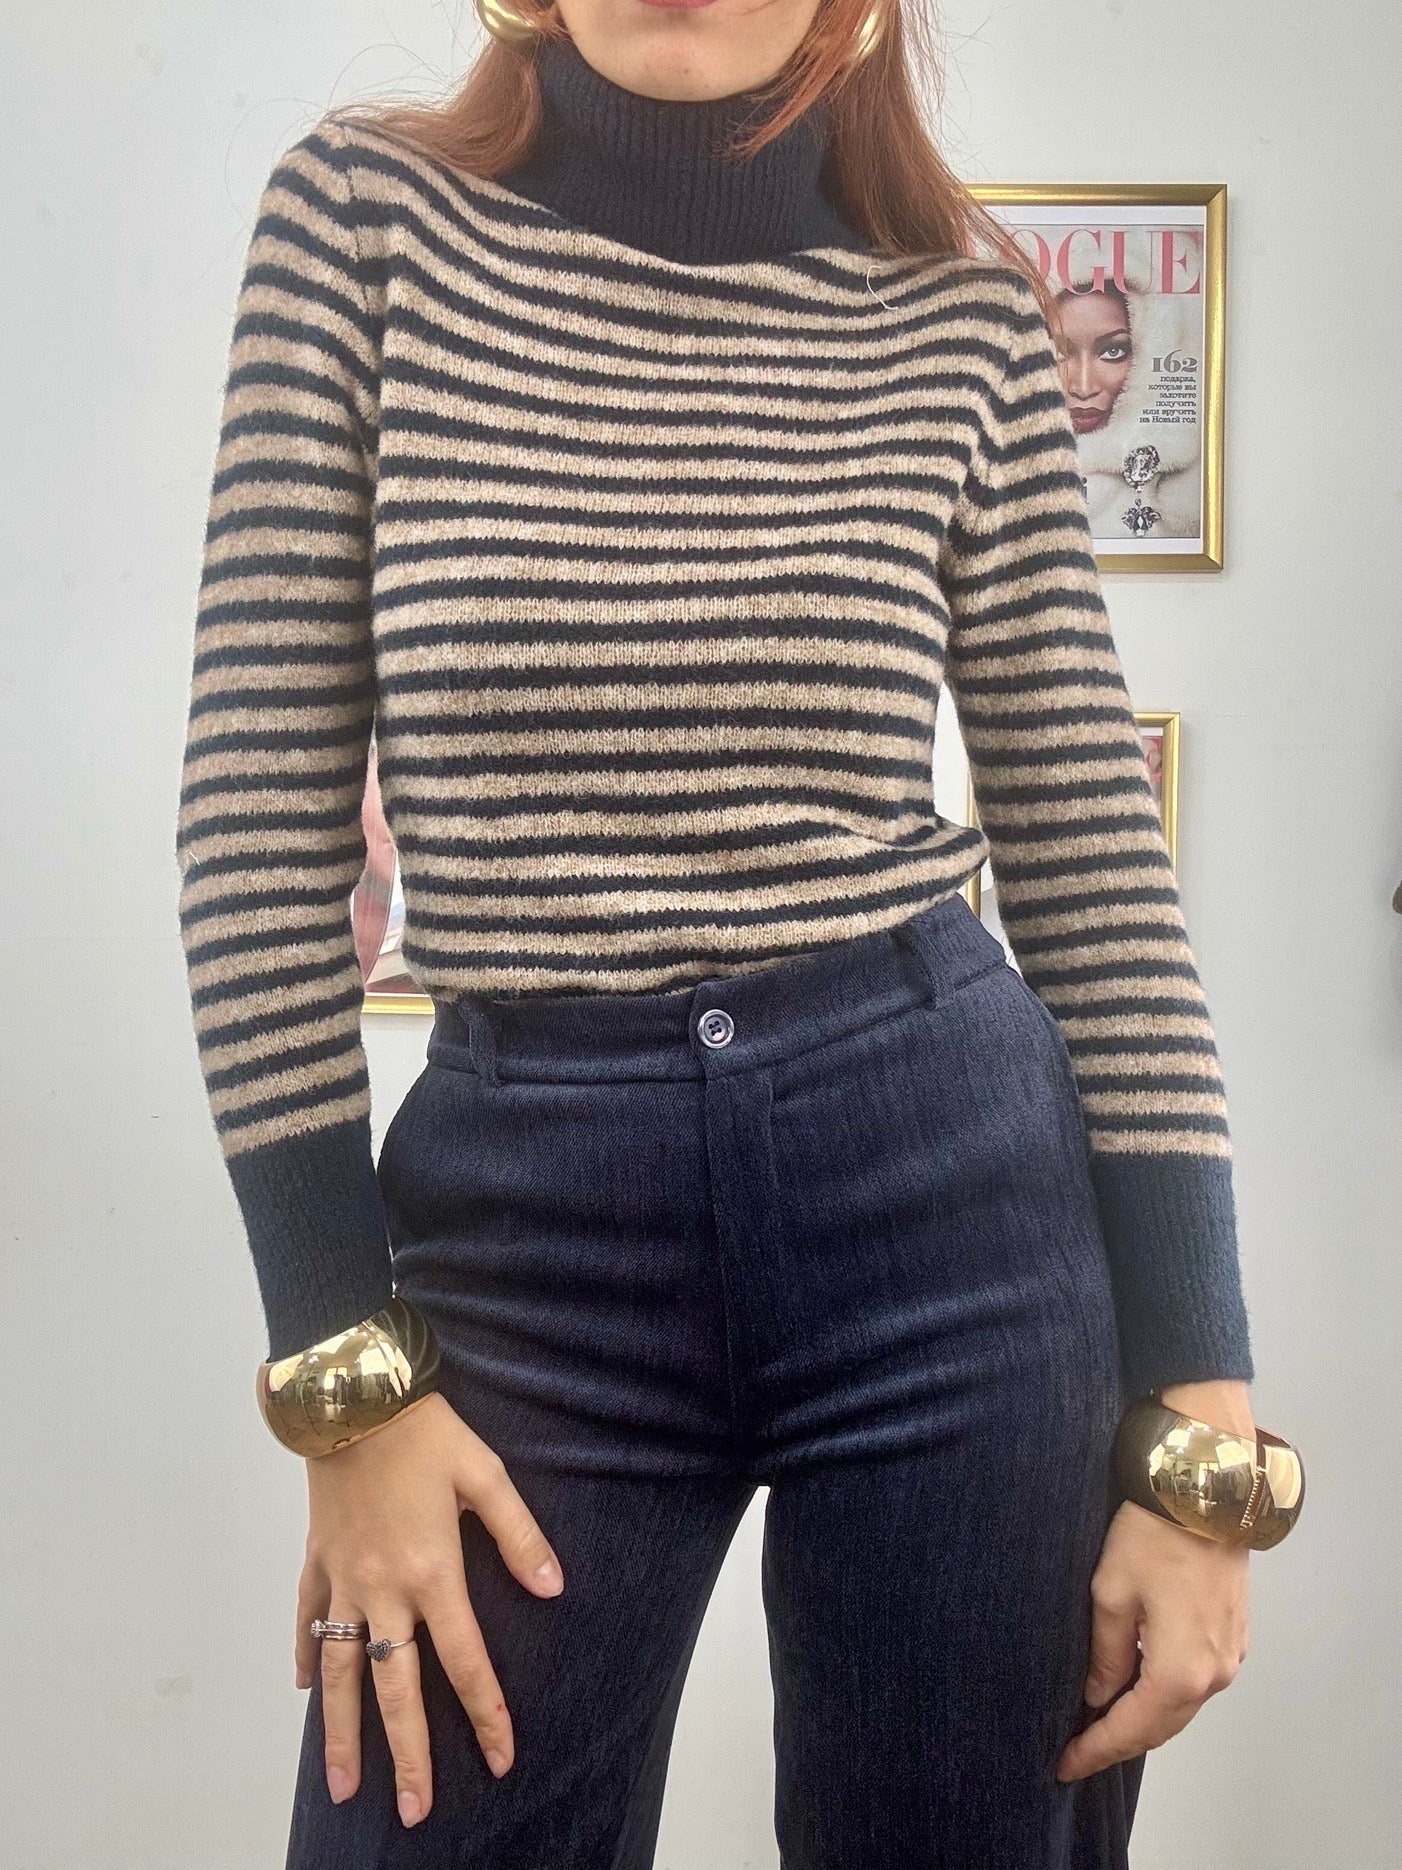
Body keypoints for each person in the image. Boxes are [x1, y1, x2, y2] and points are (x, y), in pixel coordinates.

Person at [173, 3, 1302, 1865]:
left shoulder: (958, 313)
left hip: (947, 1206)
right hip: (528, 1229)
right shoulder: (363, 225)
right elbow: (253, 815)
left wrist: (1203, 1441)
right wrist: (342, 1380)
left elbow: (1092, 860)